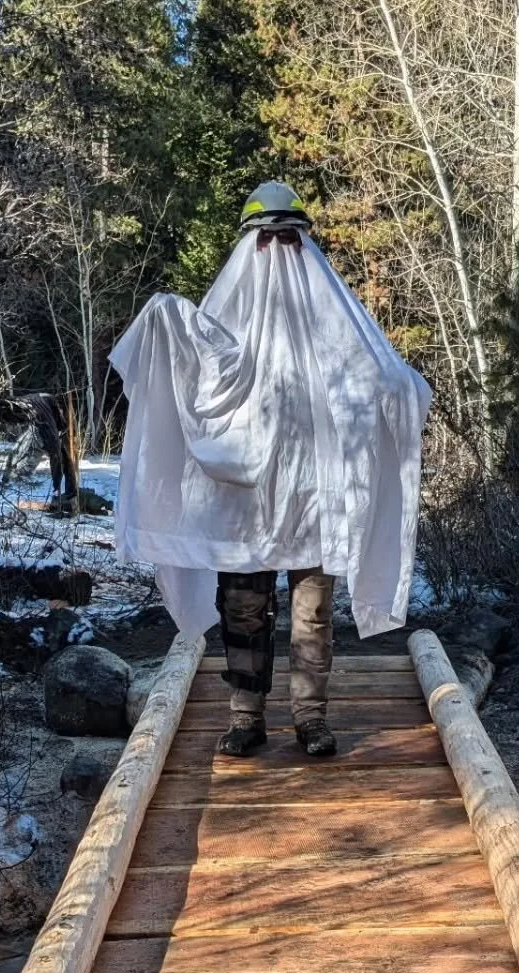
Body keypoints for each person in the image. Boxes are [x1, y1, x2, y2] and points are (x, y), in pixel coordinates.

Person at [110, 181, 431, 757]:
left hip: (315, 501)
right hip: (243, 507)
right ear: (251, 243)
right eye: (268, 236)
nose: (278, 247)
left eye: (288, 236)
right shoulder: (229, 318)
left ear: (303, 241)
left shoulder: (334, 321)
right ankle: (245, 716)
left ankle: (310, 718)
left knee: (313, 616)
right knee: (243, 611)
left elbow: (377, 374)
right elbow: (202, 373)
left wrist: (398, 388)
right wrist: (166, 320)